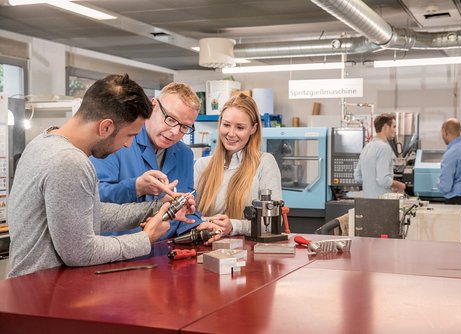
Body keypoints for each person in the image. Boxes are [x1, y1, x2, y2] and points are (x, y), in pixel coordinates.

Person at [7, 74, 195, 278]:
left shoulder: (42, 142)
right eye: (130, 135)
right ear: (105, 127)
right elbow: (80, 252)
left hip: (34, 287)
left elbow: (90, 214)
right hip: (41, 292)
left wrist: (157, 208)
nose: (128, 145)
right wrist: (145, 238)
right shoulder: (70, 161)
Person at [90, 82, 214, 240]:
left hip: (164, 252)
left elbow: (183, 208)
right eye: (170, 119)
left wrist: (196, 225)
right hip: (119, 249)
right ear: (153, 106)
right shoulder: (118, 140)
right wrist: (136, 187)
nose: (175, 132)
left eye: (184, 127)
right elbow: (93, 197)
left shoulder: (185, 154)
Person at [194, 93, 282, 236]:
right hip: (206, 249)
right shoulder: (202, 165)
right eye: (226, 125)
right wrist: (211, 223)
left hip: (249, 252)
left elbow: (272, 224)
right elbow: (189, 218)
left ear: (253, 129)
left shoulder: (264, 163)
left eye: (240, 127)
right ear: (220, 123)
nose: (231, 133)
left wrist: (234, 226)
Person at [354, 113, 406, 198]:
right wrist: (398, 184)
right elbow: (383, 180)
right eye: (394, 127)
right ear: (385, 127)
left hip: (367, 201)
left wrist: (372, 185)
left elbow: (357, 176)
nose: (395, 130)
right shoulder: (384, 148)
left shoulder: (367, 147)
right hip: (382, 203)